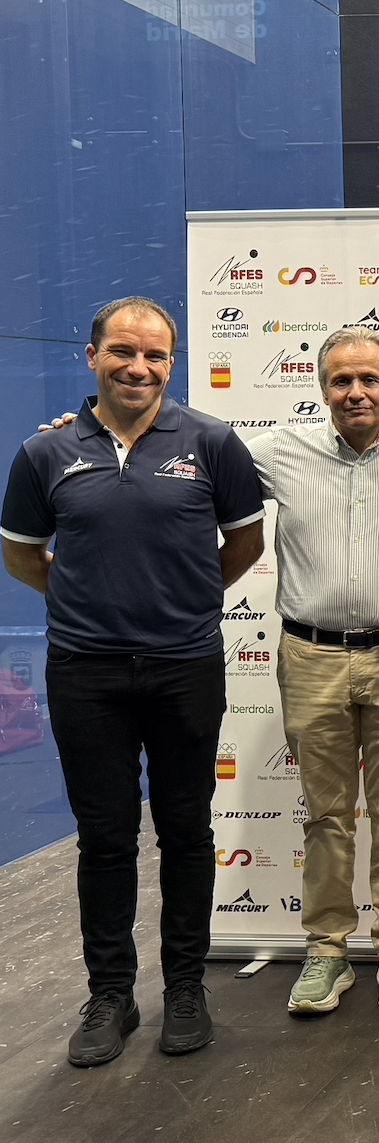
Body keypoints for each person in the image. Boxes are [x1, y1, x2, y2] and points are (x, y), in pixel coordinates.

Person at [2, 298, 265, 1067]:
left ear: (171, 364)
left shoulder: (212, 443)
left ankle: (185, 988)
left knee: (186, 831)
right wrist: (85, 600)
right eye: (123, 351)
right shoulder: (45, 452)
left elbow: (244, 544)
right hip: (85, 673)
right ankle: (111, 995)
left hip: (186, 667)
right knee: (107, 838)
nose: (138, 367)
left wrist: (182, 601)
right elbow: (23, 555)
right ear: (91, 357)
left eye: (155, 355)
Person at [246, 327, 379, 1016]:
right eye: (341, 381)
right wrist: (83, 430)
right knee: (326, 815)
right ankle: (326, 949)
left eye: (369, 379)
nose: (356, 392)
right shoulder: (277, 452)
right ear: (322, 388)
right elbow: (187, 460)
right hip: (310, 655)